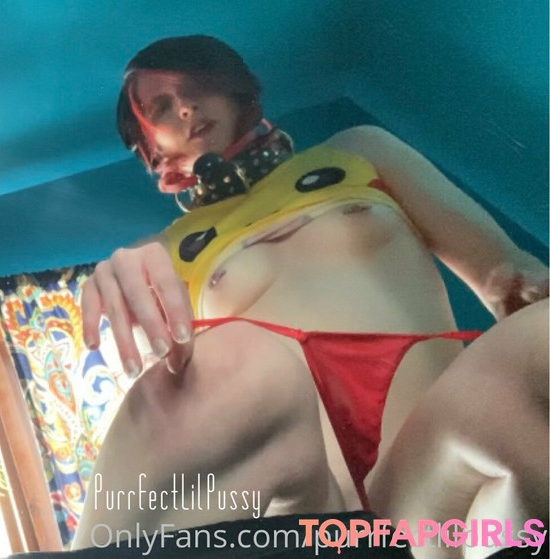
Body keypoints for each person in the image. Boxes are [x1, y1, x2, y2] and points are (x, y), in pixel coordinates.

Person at [73, 35, 549, 556]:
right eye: (163, 107)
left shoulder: (360, 151)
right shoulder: (159, 253)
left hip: (436, 474)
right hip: (318, 516)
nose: (186, 106)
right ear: (151, 151)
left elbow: (504, 271)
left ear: (232, 87)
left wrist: (519, 283)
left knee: (537, 336)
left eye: (196, 86)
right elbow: (179, 416)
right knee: (234, 357)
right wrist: (124, 306)